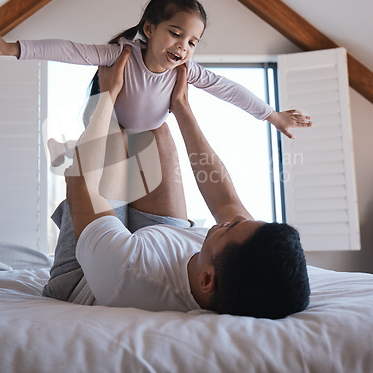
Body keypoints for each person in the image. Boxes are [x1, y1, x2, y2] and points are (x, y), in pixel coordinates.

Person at [43, 47, 310, 319]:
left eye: (229, 229)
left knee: (114, 133)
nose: (228, 220)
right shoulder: (238, 255)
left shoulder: (127, 270)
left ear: (207, 281)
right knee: (152, 125)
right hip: (160, 245)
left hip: (86, 274)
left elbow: (81, 181)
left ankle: (77, 143)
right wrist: (181, 106)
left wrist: (109, 95)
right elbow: (225, 200)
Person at [0, 0, 312, 166]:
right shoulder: (122, 54)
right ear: (149, 29)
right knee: (103, 149)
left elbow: (230, 90)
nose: (183, 46)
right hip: (113, 130)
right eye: (176, 33)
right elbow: (69, 50)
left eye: (192, 42)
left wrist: (272, 115)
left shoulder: (184, 72)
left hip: (149, 135)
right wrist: (12, 48)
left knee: (153, 154)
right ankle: (74, 152)